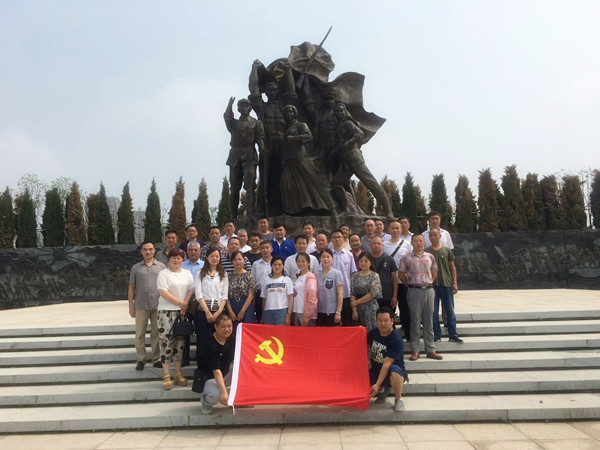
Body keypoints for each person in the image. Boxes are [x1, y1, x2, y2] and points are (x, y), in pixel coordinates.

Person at [330, 103, 393, 217]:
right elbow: (340, 143)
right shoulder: (337, 126)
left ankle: (388, 211)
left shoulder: (348, 123)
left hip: (355, 159)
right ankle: (346, 209)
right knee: (336, 184)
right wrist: (334, 151)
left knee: (371, 183)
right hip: (345, 162)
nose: (340, 113)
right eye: (337, 111)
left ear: (345, 111)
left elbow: (360, 134)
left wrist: (349, 142)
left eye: (341, 110)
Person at [279, 104, 336, 215]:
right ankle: (293, 210)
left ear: (294, 113)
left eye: (290, 112)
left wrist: (294, 138)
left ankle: (329, 207)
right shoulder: (286, 128)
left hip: (300, 157)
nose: (288, 114)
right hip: (289, 159)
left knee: (312, 181)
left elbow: (309, 136)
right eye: (286, 112)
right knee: (286, 184)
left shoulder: (300, 125)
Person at [398, 234, 443, 361]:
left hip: (428, 290)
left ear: (424, 242)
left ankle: (430, 349)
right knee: (415, 321)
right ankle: (415, 350)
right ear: (411, 243)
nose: (418, 243)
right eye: (416, 241)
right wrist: (409, 284)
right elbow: (401, 274)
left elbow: (434, 272)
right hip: (414, 290)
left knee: (429, 321)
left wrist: (428, 282)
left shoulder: (430, 256)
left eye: (421, 241)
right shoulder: (406, 257)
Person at [156, 249, 194, 390]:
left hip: (182, 312)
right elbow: (163, 291)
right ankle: (166, 375)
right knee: (166, 342)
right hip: (166, 311)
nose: (176, 260)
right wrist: (180, 303)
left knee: (180, 343)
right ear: (169, 259)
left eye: (179, 258)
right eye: (173, 258)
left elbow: (190, 289)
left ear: (182, 259)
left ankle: (178, 373)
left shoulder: (187, 273)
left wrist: (185, 304)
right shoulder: (163, 273)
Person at [128, 241, 165, 371]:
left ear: (154, 251)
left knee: (156, 334)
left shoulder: (161, 267)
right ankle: (141, 359)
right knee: (140, 334)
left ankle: (156, 359)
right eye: (145, 249)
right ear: (141, 252)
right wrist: (131, 306)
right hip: (140, 305)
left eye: (150, 249)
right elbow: (131, 287)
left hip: (158, 305)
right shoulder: (136, 268)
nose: (148, 252)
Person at [224, 97, 264, 218]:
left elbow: (260, 138)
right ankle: (233, 216)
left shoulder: (256, 123)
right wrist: (229, 106)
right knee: (234, 187)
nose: (245, 108)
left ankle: (251, 215)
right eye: (242, 106)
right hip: (235, 155)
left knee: (250, 185)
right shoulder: (234, 123)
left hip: (250, 155)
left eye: (247, 106)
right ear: (238, 109)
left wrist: (263, 149)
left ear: (250, 108)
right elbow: (227, 117)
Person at [425, 228, 463, 343]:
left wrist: (454, 283)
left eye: (435, 235)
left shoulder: (447, 250)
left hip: (446, 284)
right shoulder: (426, 252)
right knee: (433, 311)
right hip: (432, 286)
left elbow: (452, 267)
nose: (433, 237)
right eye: (431, 235)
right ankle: (437, 335)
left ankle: (453, 335)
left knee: (450, 310)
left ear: (439, 236)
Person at [368, 307, 408, 412]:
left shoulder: (396, 339)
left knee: (394, 371)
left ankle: (398, 398)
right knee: (363, 386)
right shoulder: (373, 333)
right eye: (380, 320)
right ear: (376, 321)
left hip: (392, 370)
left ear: (392, 321)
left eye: (386, 320)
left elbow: (387, 364)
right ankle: (383, 389)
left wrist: (377, 384)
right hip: (376, 371)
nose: (383, 324)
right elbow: (363, 348)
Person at [194, 313, 235, 415]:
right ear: (216, 327)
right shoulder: (209, 344)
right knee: (216, 394)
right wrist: (224, 392)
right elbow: (216, 371)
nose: (227, 329)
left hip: (224, 374)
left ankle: (236, 400)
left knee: (241, 370)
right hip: (209, 378)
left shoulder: (232, 339)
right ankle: (206, 401)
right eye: (223, 326)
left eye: (229, 326)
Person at [383, 221, 413, 340]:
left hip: (404, 282)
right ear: (389, 230)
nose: (395, 230)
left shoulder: (407, 244)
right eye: (393, 228)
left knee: (406, 309)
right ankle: (391, 336)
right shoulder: (384, 245)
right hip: (390, 283)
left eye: (397, 228)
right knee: (390, 310)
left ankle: (408, 335)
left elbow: (411, 261)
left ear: (401, 230)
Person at [195, 247, 229, 347]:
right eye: (212, 256)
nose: (215, 258)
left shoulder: (223, 273)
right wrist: (207, 312)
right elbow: (198, 294)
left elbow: (225, 295)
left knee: (219, 337)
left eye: (217, 256)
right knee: (203, 338)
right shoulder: (200, 273)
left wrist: (218, 312)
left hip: (219, 309)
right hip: (203, 309)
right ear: (207, 257)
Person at [181, 241, 204, 366]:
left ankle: (200, 357)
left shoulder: (205, 265)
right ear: (187, 251)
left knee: (201, 331)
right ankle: (185, 358)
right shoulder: (182, 265)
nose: (193, 252)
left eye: (196, 250)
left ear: (199, 251)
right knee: (185, 331)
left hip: (201, 301)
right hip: (185, 300)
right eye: (191, 250)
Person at [330, 229, 357, 327]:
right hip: (331, 293)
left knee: (347, 322)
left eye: (339, 237)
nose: (337, 239)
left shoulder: (349, 255)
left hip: (346, 293)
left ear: (343, 239)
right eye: (334, 237)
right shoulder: (327, 255)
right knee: (333, 323)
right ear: (331, 239)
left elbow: (353, 274)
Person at [350, 252, 382, 332]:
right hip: (357, 308)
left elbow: (373, 293)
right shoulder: (354, 276)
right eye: (361, 261)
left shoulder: (375, 276)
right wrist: (354, 310)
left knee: (371, 332)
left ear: (370, 262)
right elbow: (352, 292)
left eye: (366, 261)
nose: (363, 263)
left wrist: (357, 302)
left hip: (370, 308)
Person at [225, 250, 257, 325]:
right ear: (232, 262)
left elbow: (251, 295)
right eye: (235, 260)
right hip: (231, 306)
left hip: (246, 306)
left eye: (240, 259)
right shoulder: (228, 276)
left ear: (244, 261)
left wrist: (242, 311)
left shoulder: (249, 275)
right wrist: (230, 311)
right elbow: (225, 295)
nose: (238, 262)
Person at [260, 256, 294, 325]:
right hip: (268, 312)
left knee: (281, 331)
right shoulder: (266, 280)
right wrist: (263, 316)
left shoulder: (287, 280)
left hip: (282, 311)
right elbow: (264, 299)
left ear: (283, 266)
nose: (277, 267)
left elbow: (291, 299)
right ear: (271, 266)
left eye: (279, 265)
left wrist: (288, 315)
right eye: (274, 265)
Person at [316, 248, 343, 326]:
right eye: (323, 257)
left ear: (332, 259)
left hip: (332, 311)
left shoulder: (336, 273)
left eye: (328, 257)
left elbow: (340, 294)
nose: (326, 259)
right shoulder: (316, 274)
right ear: (320, 259)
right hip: (319, 311)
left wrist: (338, 312)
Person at [369, 236, 398, 310]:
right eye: (374, 243)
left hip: (387, 296)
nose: (376, 245)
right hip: (371, 297)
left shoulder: (389, 259)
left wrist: (394, 297)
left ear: (382, 245)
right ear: (370, 245)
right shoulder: (367, 259)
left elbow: (395, 279)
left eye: (379, 243)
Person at [291, 252, 318, 326]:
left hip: (305, 314)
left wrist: (307, 315)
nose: (300, 263)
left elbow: (312, 297)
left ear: (308, 263)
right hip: (296, 312)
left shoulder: (310, 277)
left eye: (303, 261)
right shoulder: (297, 277)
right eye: (298, 261)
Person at [251, 240, 273, 324]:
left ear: (271, 249)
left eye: (267, 248)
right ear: (260, 250)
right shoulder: (256, 264)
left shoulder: (276, 263)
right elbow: (253, 282)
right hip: (259, 294)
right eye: (263, 248)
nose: (265, 250)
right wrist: (253, 298)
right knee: (260, 318)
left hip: (273, 292)